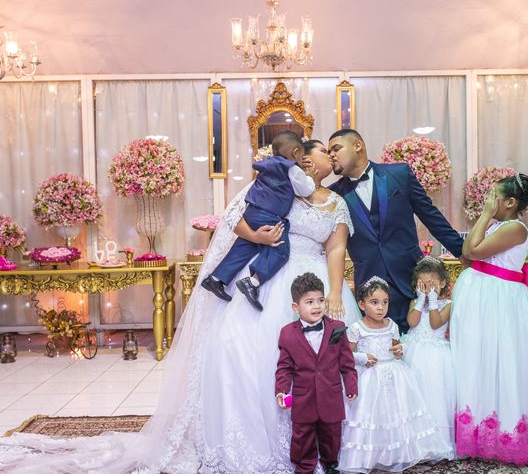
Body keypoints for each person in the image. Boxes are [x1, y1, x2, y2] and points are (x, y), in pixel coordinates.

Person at [0, 140, 360, 474]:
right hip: (269, 274)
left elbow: (335, 248)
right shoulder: (280, 184)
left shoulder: (336, 202)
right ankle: (256, 436)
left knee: (327, 360)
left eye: (332, 151)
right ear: (306, 158)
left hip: (314, 282)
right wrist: (257, 236)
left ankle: (324, 442)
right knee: (242, 352)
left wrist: (333, 291)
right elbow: (236, 217)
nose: (329, 157)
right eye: (323, 151)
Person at [450, 173, 528, 466]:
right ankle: (478, 429)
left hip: (500, 301)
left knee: (503, 360)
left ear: (509, 203)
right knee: (478, 360)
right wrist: (484, 221)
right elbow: (467, 256)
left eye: (492, 197)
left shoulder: (515, 228)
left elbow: (471, 250)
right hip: (483, 296)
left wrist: (483, 217)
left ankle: (507, 431)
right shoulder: (497, 225)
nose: (487, 202)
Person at [328, 129, 464, 333]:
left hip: (410, 277)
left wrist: (463, 252)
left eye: (336, 148)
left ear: (358, 146)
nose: (331, 155)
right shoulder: (334, 194)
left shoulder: (399, 174)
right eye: (328, 151)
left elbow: (430, 215)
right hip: (369, 284)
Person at [338, 277, 451, 473]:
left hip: (394, 375)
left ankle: (398, 453)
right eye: (374, 303)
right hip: (369, 377)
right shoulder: (357, 328)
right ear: (362, 304)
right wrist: (362, 357)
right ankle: (371, 454)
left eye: (384, 302)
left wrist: (400, 349)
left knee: (395, 414)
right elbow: (347, 355)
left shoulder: (391, 325)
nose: (380, 308)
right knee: (373, 414)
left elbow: (395, 348)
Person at [201, 130, 315, 311]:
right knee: (280, 249)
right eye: (302, 154)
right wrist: (308, 175)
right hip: (270, 215)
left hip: (252, 212)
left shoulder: (266, 166)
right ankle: (253, 282)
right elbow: (305, 190)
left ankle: (216, 279)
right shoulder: (292, 168)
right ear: (295, 153)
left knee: (244, 246)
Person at [275, 272, 358, 474]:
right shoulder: (287, 333)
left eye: (320, 300)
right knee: (302, 435)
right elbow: (284, 367)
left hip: (331, 395)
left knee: (332, 433)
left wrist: (351, 385)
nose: (317, 306)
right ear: (296, 307)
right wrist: (281, 390)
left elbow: (347, 363)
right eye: (309, 302)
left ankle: (330, 464)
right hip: (304, 398)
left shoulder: (337, 328)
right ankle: (304, 466)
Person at [401, 256, 456, 455]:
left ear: (442, 283)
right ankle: (415, 441)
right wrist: (420, 301)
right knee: (415, 396)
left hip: (436, 357)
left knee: (434, 396)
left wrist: (432, 301)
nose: (426, 288)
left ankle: (437, 443)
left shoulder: (448, 304)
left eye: (431, 284)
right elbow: (412, 322)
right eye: (422, 284)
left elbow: (435, 323)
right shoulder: (414, 302)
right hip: (414, 353)